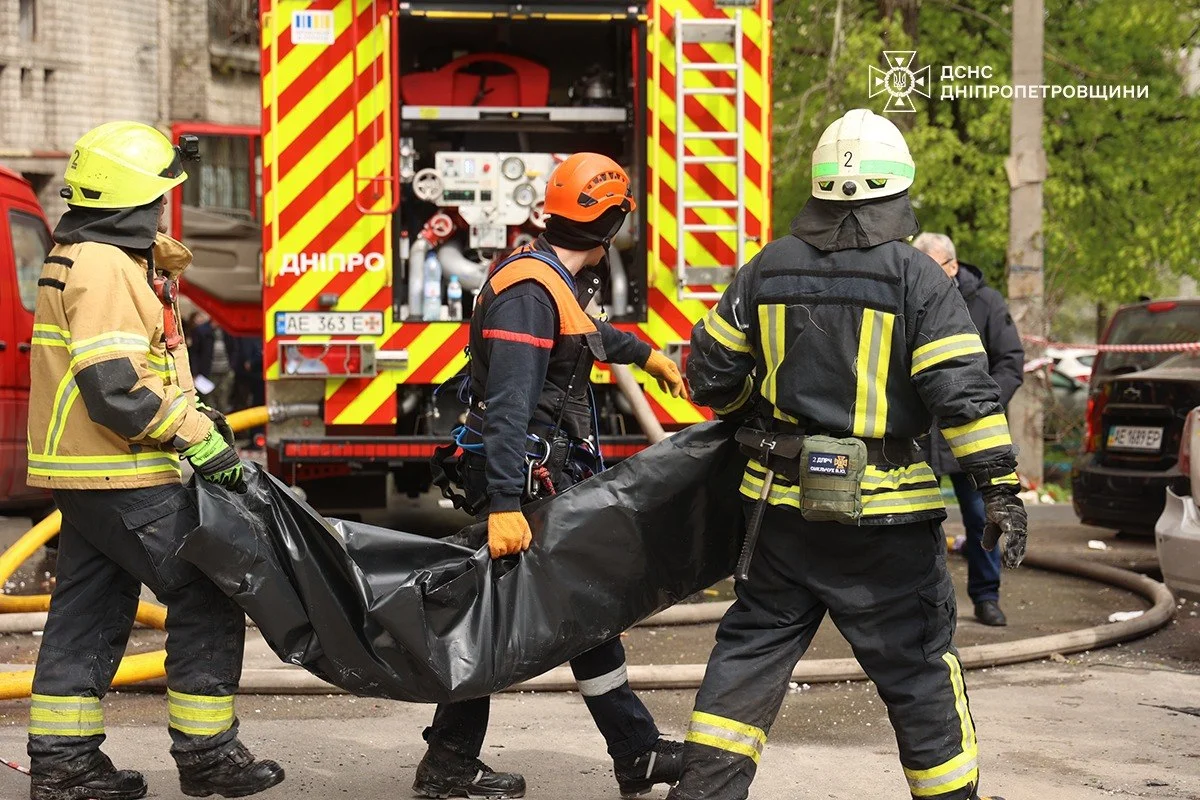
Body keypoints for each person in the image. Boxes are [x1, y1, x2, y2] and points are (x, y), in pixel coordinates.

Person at [672, 109, 1028, 800]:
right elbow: (964, 396)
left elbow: (708, 375)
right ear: (898, 194)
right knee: (920, 671)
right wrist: (1003, 490)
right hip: (887, 528)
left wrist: (762, 412)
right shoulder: (918, 279)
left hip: (779, 514)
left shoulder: (764, 268)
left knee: (748, 655)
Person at [24, 121, 284, 800]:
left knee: (88, 611)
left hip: (85, 471)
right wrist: (197, 438)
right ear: (138, 198)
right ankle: (208, 757)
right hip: (119, 469)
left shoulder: (86, 253)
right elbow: (115, 389)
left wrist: (199, 417)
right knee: (209, 588)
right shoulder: (106, 266)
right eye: (161, 195)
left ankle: (63, 766)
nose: (166, 206)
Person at [421, 152, 688, 799]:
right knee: (508, 617)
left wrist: (646, 354)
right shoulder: (530, 295)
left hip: (529, 473)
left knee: (576, 609)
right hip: (518, 477)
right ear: (614, 223)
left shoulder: (546, 277)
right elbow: (512, 409)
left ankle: (634, 750)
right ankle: (451, 767)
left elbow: (588, 334)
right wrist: (508, 504)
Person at [913, 232, 1025, 627]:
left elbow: (1010, 362)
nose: (923, 275)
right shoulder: (909, 298)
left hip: (975, 436)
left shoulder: (987, 303)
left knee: (984, 517)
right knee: (915, 519)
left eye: (933, 268)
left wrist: (981, 406)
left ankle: (986, 597)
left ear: (953, 267)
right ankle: (919, 604)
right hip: (921, 434)